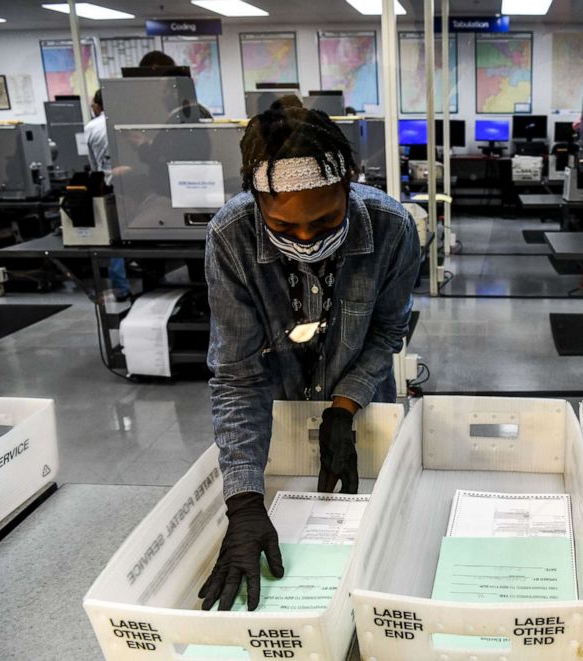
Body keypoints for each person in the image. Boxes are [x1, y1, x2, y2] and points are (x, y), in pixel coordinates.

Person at [198, 97, 420, 611]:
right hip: (274, 409)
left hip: (364, 403)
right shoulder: (229, 238)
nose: (304, 239)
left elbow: (387, 332)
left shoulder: (391, 228)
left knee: (373, 541)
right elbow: (237, 376)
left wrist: (344, 409)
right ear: (257, 203)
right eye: (283, 228)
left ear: (351, 185)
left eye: (323, 223)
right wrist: (245, 502)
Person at [83, 89, 130, 299]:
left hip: (108, 184)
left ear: (99, 105)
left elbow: (93, 163)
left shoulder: (92, 127)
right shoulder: (126, 122)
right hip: (133, 184)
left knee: (115, 236)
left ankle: (120, 286)